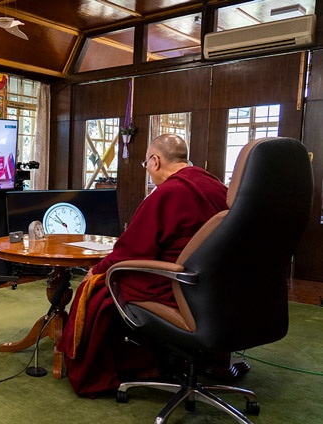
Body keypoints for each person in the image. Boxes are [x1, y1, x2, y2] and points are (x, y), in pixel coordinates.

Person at [57, 134, 229, 397]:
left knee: (100, 290)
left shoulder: (169, 192)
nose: (148, 169)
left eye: (146, 163)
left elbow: (131, 250)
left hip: (177, 285)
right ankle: (173, 358)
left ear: (156, 161)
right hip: (216, 288)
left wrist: (99, 269)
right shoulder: (217, 187)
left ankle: (134, 368)